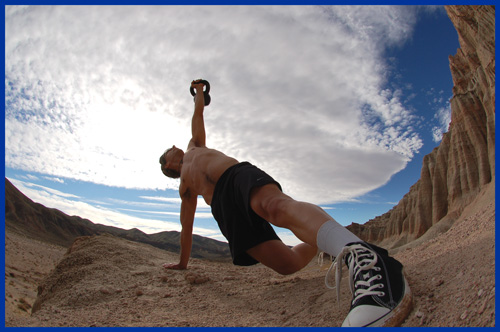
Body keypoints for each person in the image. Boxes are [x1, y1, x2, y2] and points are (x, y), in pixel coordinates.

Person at [159, 79, 413, 327]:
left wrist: (199, 92)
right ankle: (323, 240)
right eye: (169, 150)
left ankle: (369, 260)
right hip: (225, 211)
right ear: (169, 165)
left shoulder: (194, 145)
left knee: (274, 207)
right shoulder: (186, 190)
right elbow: (187, 227)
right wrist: (183, 263)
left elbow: (198, 114)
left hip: (235, 176)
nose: (173, 146)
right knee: (286, 264)